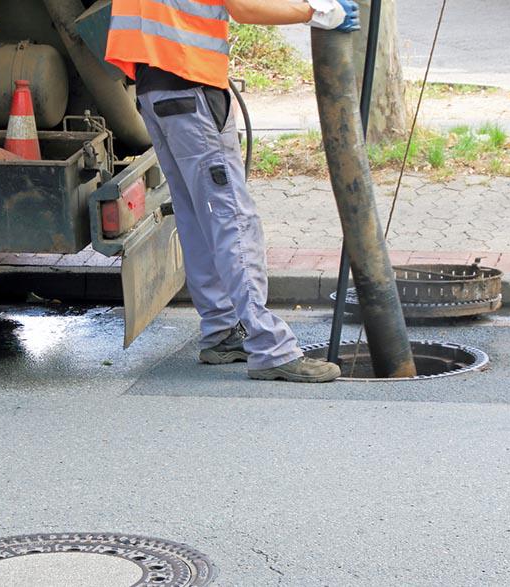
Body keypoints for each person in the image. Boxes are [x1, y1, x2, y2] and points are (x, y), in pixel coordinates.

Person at [106, 0, 360, 383]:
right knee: (233, 220)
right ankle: (270, 347)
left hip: (154, 91)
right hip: (189, 86)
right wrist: (315, 11)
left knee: (195, 216)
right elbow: (245, 6)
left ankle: (222, 331)